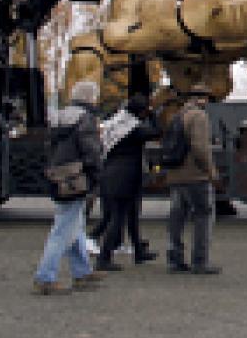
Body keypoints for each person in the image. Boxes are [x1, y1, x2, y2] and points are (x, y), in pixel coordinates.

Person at [33, 80, 105, 294]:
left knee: (75, 224)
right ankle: (45, 277)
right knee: (63, 228)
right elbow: (91, 150)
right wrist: (98, 173)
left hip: (59, 175)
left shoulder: (59, 118)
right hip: (78, 177)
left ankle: (82, 272)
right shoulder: (86, 119)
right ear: (90, 98)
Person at [93, 95, 159, 271]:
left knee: (130, 214)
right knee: (119, 217)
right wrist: (154, 116)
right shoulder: (133, 129)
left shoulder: (115, 123)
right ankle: (104, 256)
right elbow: (156, 132)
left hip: (110, 172)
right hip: (126, 176)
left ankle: (138, 249)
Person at [165, 85, 221, 275]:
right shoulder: (198, 116)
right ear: (203, 99)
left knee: (177, 218)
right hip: (195, 176)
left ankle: (175, 259)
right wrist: (211, 172)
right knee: (203, 216)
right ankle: (200, 261)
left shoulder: (177, 116)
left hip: (176, 174)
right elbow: (200, 147)